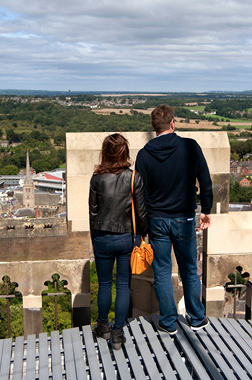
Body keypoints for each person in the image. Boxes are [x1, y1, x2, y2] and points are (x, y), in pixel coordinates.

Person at [135, 104, 212, 334]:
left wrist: (142, 225)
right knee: (189, 269)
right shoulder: (189, 146)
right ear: (172, 123)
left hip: (157, 220)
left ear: (153, 126)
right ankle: (197, 318)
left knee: (161, 271)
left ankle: (168, 322)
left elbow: (139, 194)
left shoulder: (144, 154)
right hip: (184, 219)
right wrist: (206, 210)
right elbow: (205, 180)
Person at [89, 133, 147, 349]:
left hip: (102, 237)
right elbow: (141, 213)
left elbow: (92, 213)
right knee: (123, 285)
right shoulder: (134, 178)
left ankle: (103, 326)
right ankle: (117, 333)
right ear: (125, 152)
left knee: (104, 284)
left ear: (105, 152)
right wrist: (143, 234)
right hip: (126, 237)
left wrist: (94, 238)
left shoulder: (97, 178)